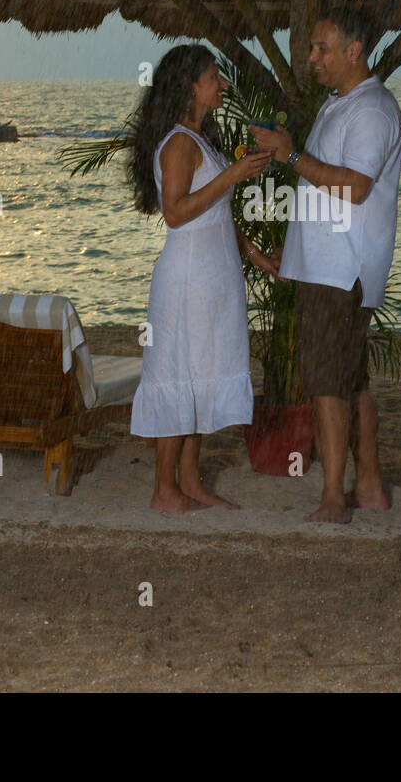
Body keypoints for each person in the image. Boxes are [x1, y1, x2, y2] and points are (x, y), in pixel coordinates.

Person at [249, 7, 401, 524]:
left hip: (342, 272)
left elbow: (354, 188)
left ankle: (334, 497)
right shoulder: (341, 104)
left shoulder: (372, 110)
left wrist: (290, 157)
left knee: (326, 385)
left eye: (322, 49)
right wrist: (291, 255)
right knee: (350, 381)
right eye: (312, 48)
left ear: (354, 52)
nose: (311, 58)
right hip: (326, 267)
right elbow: (326, 194)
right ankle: (370, 487)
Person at [127, 44, 279, 513]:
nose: (222, 84)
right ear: (191, 84)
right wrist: (232, 175)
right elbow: (174, 213)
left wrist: (253, 254)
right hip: (188, 279)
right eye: (214, 76)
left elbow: (216, 211)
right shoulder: (178, 143)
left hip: (213, 277)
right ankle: (163, 490)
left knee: (198, 376)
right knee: (178, 374)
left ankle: (190, 482)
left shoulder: (199, 137)